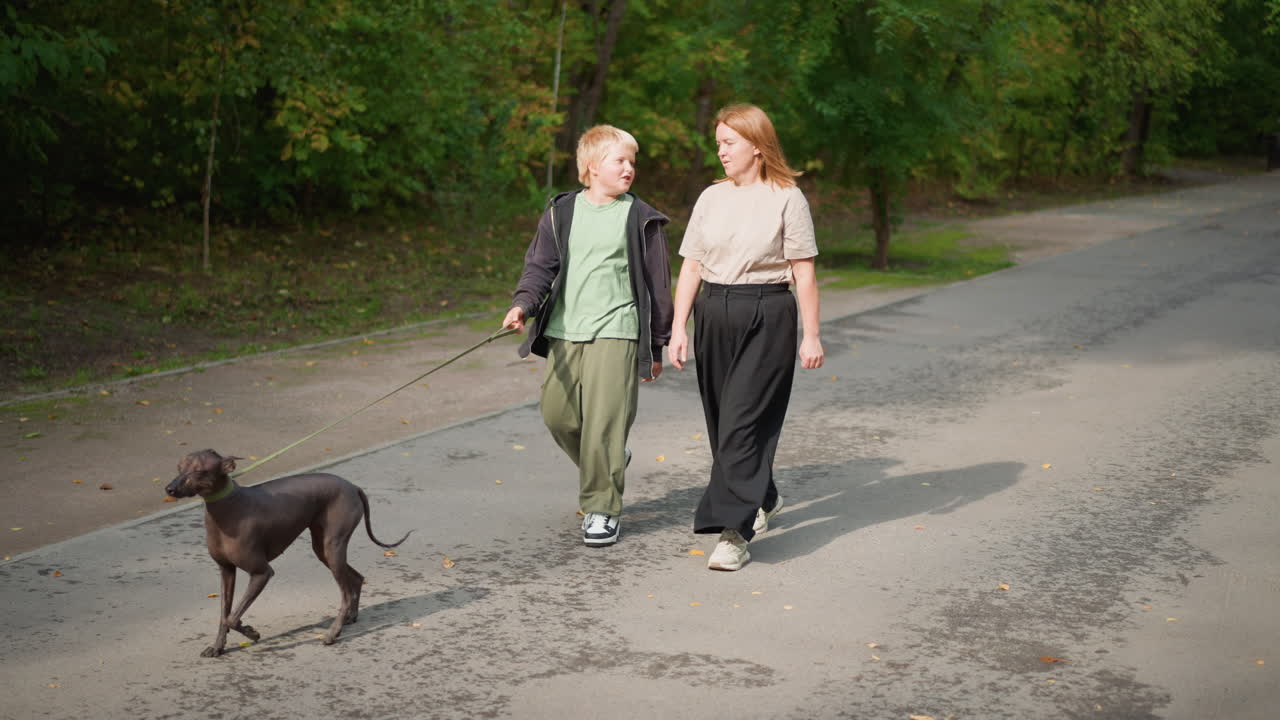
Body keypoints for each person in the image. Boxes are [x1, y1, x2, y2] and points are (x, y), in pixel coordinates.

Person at [668, 103, 824, 571]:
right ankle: (765, 495)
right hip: (713, 311)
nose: (720, 151)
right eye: (718, 143)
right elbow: (691, 266)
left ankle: (733, 533)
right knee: (724, 425)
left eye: (729, 142)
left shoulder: (787, 197)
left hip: (767, 313)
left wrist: (812, 335)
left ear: (757, 145)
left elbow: (804, 272)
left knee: (740, 421)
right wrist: (678, 328)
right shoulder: (711, 197)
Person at [503, 124, 673, 547]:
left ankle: (602, 508)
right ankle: (610, 460)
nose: (629, 168)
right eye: (620, 160)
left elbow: (658, 285)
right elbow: (540, 267)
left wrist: (656, 344)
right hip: (564, 331)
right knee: (557, 415)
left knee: (604, 424)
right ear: (593, 166)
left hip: (617, 330)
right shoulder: (561, 212)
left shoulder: (640, 217)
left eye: (632, 161)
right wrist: (522, 305)